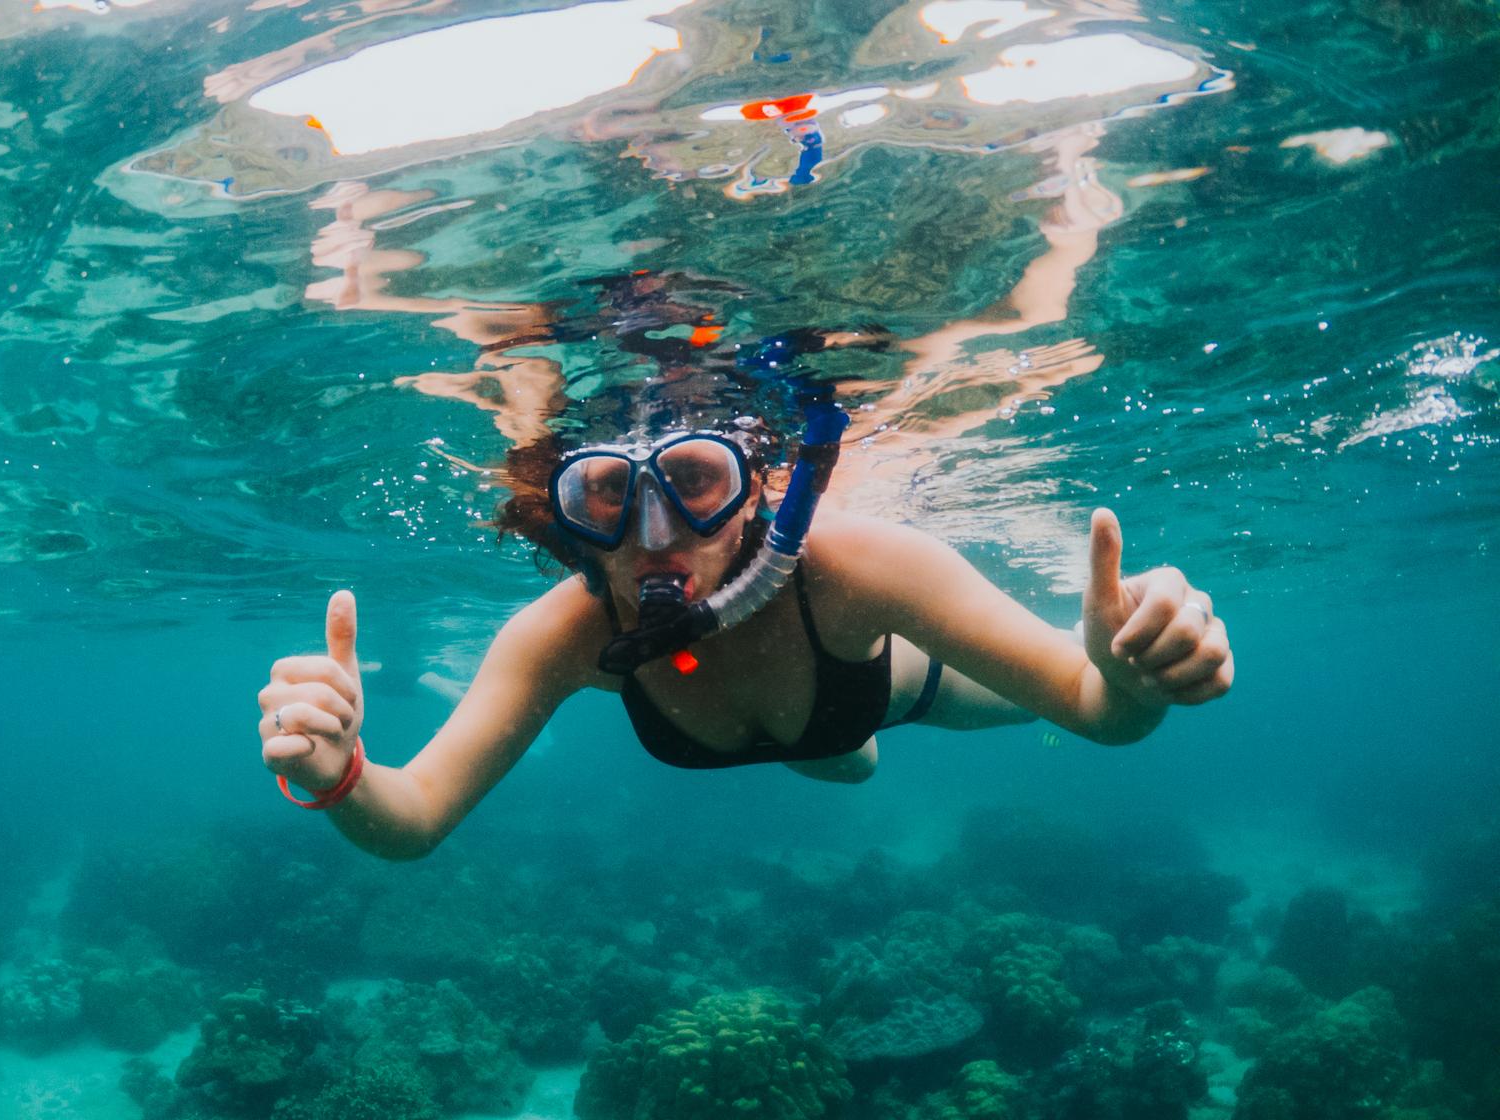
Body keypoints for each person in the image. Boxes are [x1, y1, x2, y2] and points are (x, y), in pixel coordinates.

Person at [256, 360, 1234, 859]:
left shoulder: (857, 566)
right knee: (829, 759)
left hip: (893, 691)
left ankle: (835, 745)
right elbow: (415, 818)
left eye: (692, 480)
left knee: (867, 741)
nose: (655, 535)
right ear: (571, 511)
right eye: (607, 494)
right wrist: (344, 777)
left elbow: (1097, 711)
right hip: (809, 725)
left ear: (759, 489)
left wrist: (1127, 670)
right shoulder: (566, 633)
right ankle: (825, 750)